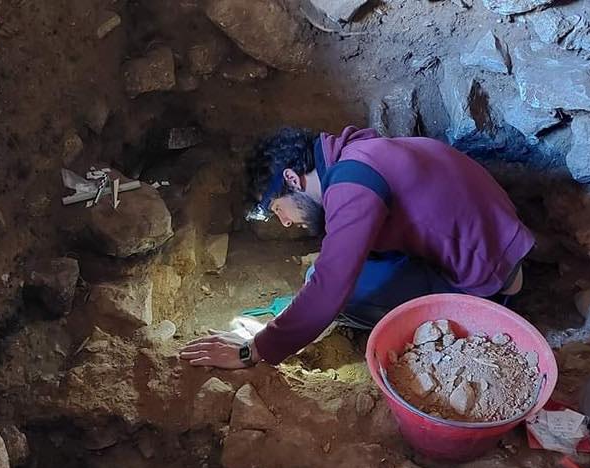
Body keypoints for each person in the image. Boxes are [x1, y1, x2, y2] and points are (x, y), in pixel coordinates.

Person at [179, 126, 534, 369]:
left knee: (334, 288)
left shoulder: (352, 183)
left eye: (276, 209)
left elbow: (331, 286)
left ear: (292, 179)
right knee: (326, 274)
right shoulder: (356, 153)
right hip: (494, 254)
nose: (285, 222)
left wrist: (252, 350)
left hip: (488, 286)